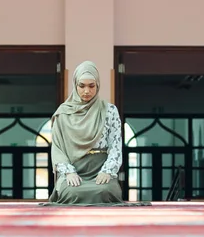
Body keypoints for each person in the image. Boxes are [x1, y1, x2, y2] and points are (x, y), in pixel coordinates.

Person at [42, 61, 149, 206]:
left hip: (101, 169)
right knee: (73, 193)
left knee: (105, 191)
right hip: (74, 170)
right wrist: (69, 172)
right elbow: (58, 148)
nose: (87, 91)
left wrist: (108, 170)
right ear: (75, 85)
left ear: (97, 85)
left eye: (91, 86)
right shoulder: (63, 113)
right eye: (82, 86)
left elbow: (115, 145)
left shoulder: (109, 111)